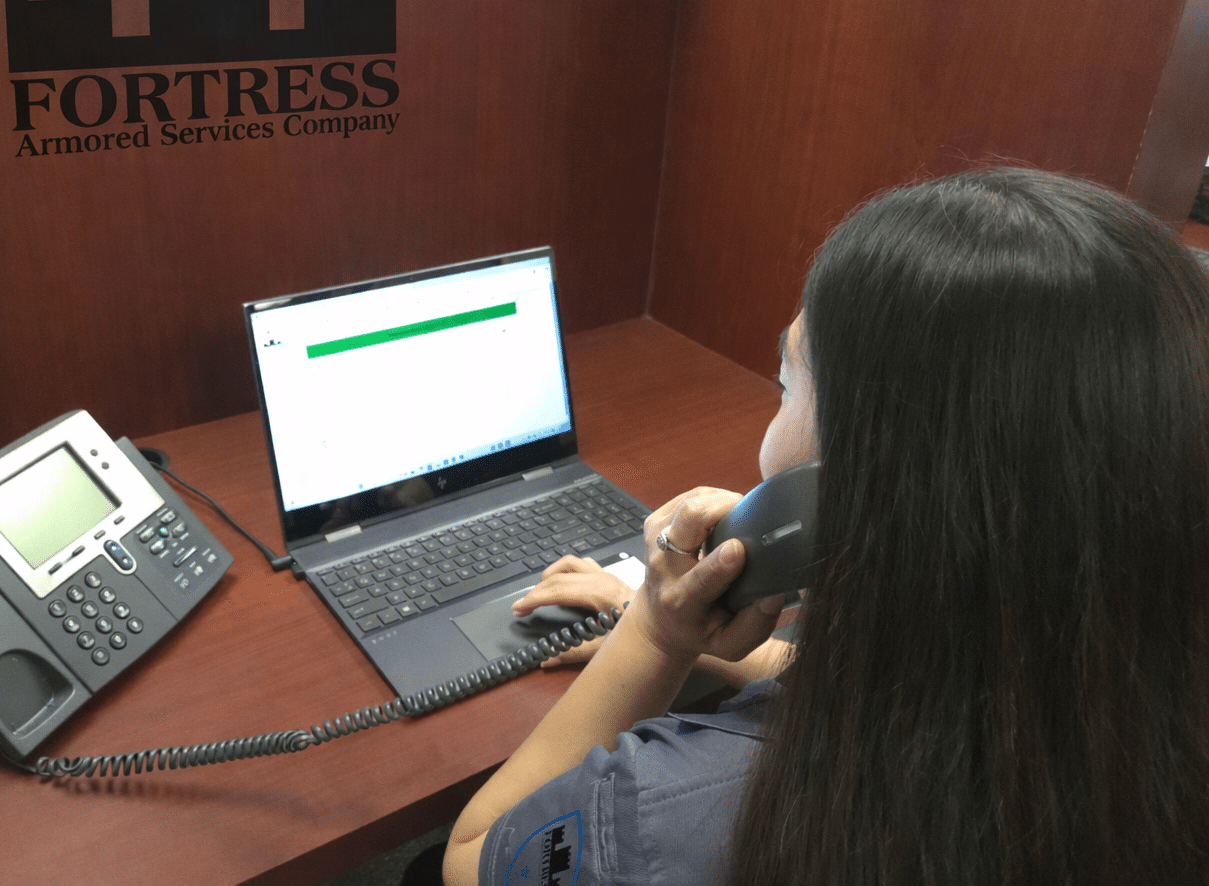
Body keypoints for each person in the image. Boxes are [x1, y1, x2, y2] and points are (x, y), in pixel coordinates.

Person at [440, 168, 1209, 886]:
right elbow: (943, 685)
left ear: (874, 475)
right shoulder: (1128, 686)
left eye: (784, 385)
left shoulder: (670, 816)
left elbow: (477, 856)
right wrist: (707, 639)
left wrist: (650, 636)